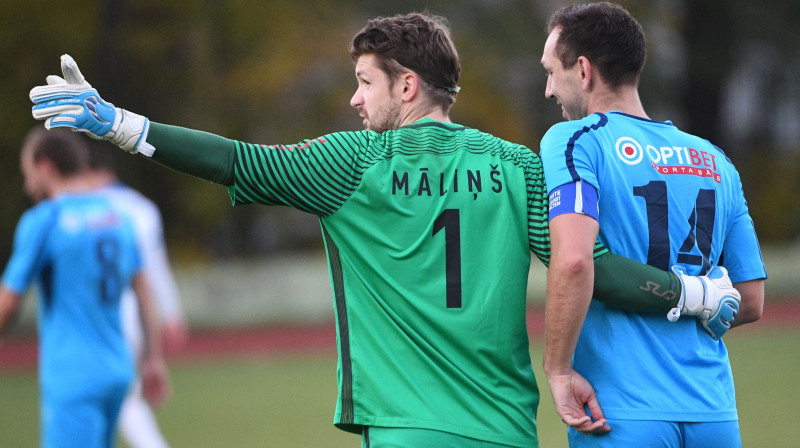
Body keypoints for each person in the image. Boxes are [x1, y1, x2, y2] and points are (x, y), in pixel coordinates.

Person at [28, 13, 737, 448]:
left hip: (408, 431)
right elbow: (598, 269)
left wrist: (116, 125)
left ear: (407, 86)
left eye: (365, 81)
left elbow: (233, 161)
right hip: (507, 433)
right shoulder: (521, 167)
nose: (352, 97)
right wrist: (698, 295)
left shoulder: (352, 164)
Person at [539, 3, 766, 447]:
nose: (548, 89)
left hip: (621, 412)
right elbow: (752, 298)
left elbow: (572, 263)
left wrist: (558, 368)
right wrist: (695, 300)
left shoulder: (573, 140)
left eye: (551, 71)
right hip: (714, 411)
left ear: (583, 70)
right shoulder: (716, 160)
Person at [0, 128, 170, 448]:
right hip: (119, 368)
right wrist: (153, 360)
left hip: (73, 375)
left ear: (45, 166)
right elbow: (145, 292)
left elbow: (9, 302)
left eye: (28, 173)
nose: (27, 184)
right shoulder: (119, 216)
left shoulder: (45, 220)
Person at [83, 145, 188, 448]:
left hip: (97, 313)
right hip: (135, 312)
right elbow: (156, 269)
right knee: (122, 399)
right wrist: (173, 314)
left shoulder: (74, 208)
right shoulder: (140, 208)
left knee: (111, 401)